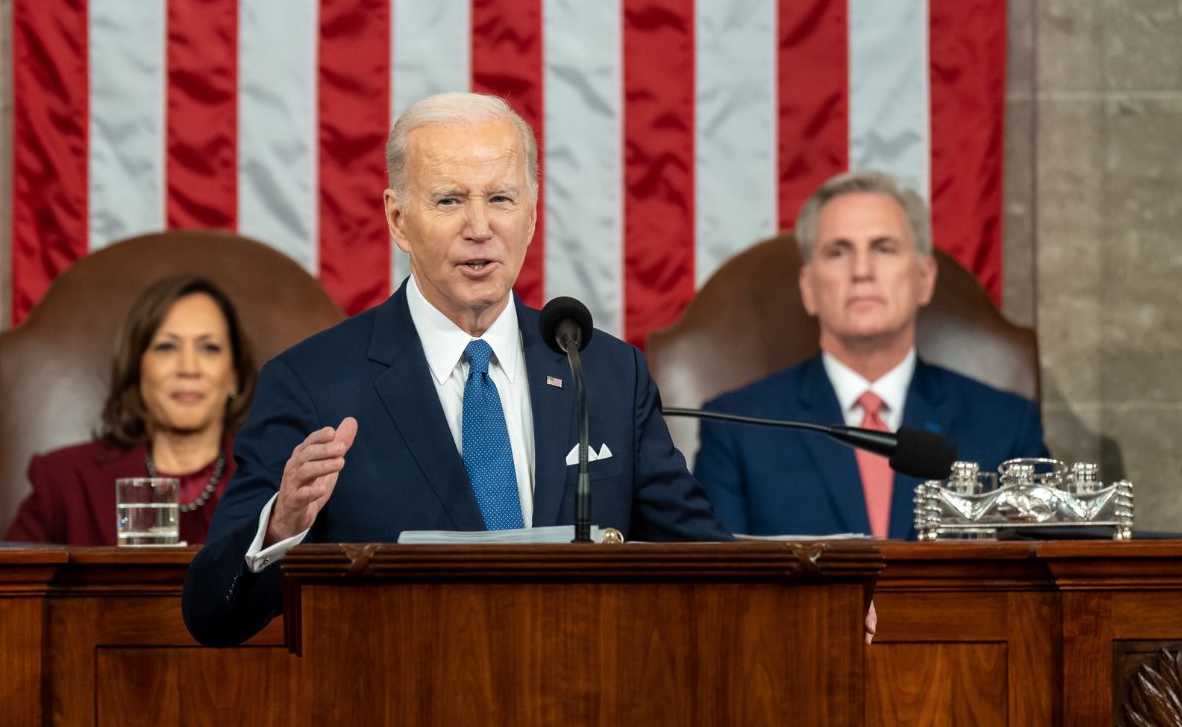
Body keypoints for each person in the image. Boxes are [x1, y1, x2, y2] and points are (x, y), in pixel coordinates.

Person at [183, 92, 731, 647]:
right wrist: (282, 526)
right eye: (449, 201)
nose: (479, 227)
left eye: (500, 198)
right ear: (399, 219)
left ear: (533, 214)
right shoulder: (312, 385)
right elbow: (213, 616)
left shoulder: (607, 373)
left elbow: (713, 568)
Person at [693, 171, 1049, 539]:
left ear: (924, 278)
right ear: (808, 288)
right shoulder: (736, 427)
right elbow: (720, 587)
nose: (861, 272)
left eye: (884, 248)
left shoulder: (1007, 426)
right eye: (837, 252)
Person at [4, 276, 257, 545]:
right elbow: (9, 583)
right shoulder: (63, 481)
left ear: (235, 375)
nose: (188, 368)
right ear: (137, 369)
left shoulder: (273, 483)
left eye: (210, 348)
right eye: (166, 346)